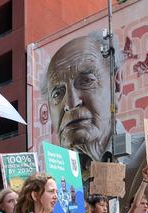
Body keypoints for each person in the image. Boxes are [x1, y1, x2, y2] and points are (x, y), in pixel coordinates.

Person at [44, 33, 122, 161]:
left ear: (116, 85)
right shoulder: (53, 177)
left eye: (86, 81)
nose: (72, 103)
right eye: (57, 93)